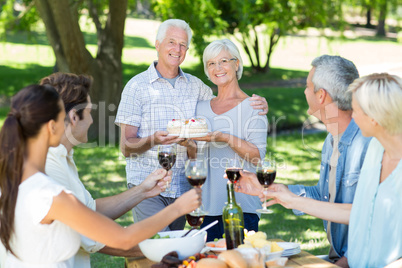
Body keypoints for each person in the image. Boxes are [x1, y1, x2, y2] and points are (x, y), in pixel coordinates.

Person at [0, 85, 201, 267]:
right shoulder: (49, 195)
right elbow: (123, 238)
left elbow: (90, 212)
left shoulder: (14, 180)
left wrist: (142, 190)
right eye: (63, 118)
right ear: (52, 127)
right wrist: (177, 208)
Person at [115, 19, 268, 231]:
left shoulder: (197, 89)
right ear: (157, 44)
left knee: (176, 256)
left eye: (183, 44)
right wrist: (154, 140)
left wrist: (258, 104)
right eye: (171, 42)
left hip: (182, 189)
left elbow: (227, 104)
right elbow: (125, 147)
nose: (177, 49)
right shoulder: (136, 87)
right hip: (148, 187)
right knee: (157, 249)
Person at [238, 73, 402, 268]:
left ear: (375, 118)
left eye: (356, 110)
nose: (351, 115)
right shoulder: (376, 151)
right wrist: (286, 196)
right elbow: (359, 212)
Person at [39, 72, 174, 267]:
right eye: (89, 113)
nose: (92, 121)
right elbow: (94, 236)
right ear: (74, 117)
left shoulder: (62, 157)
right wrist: (169, 247)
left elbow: (90, 210)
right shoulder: (48, 166)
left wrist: (143, 190)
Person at [191, 39, 267, 241]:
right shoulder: (200, 107)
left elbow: (257, 157)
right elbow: (194, 155)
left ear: (237, 64)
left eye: (224, 60)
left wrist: (225, 137)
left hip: (243, 209)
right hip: (206, 210)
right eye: (211, 63)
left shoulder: (254, 107)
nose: (218, 68)